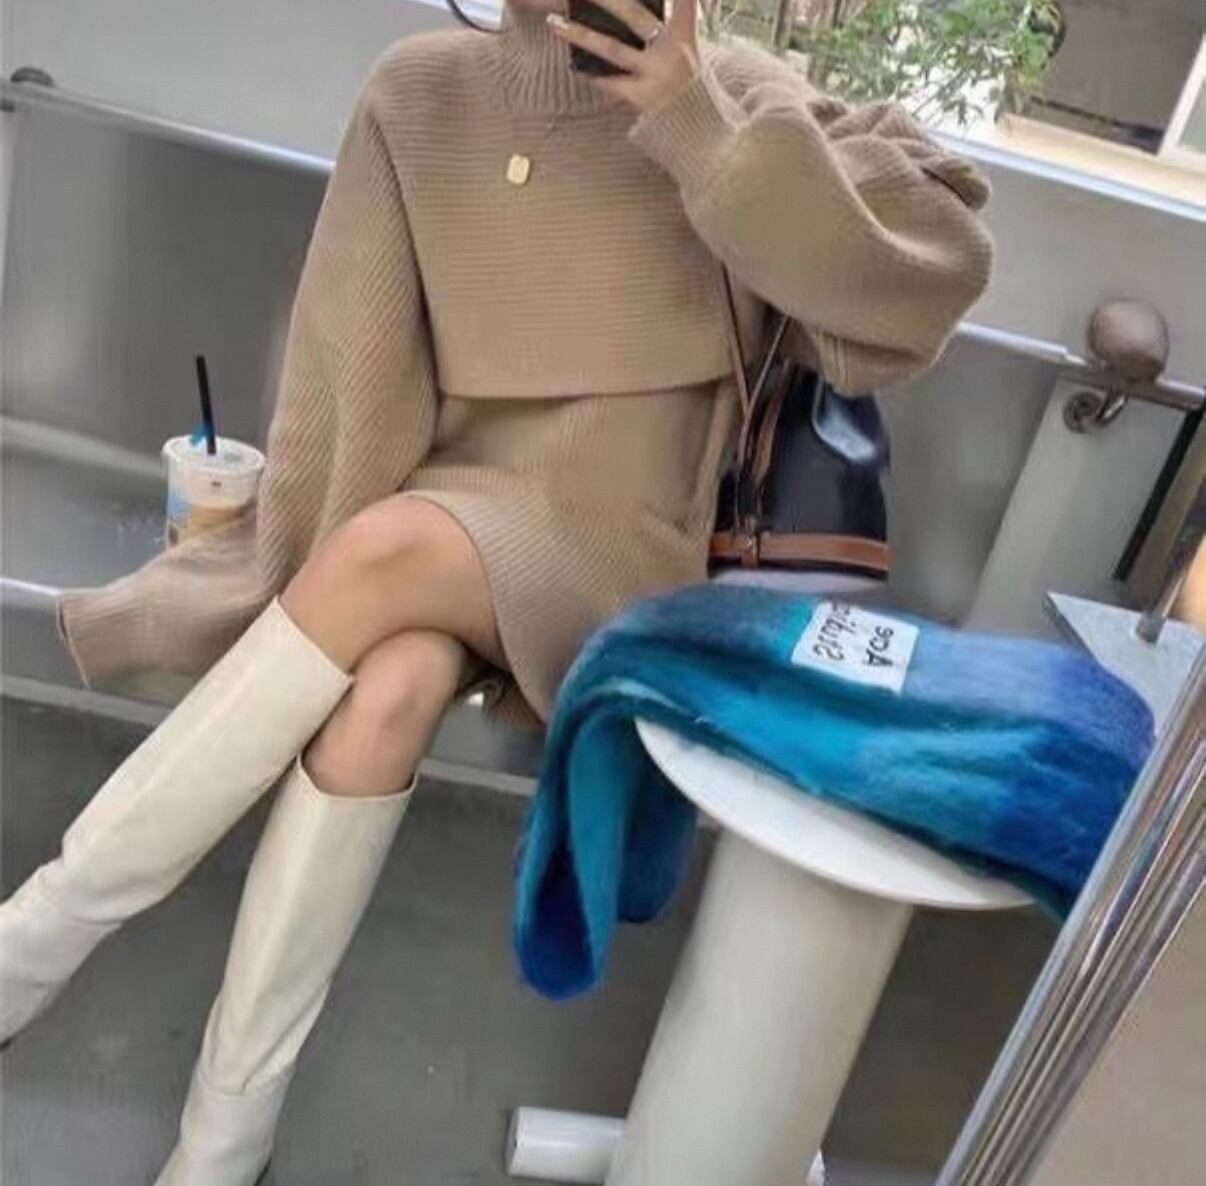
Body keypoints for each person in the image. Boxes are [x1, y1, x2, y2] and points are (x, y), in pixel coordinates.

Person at [0, 0, 993, 1181]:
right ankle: (229, 1130)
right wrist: (300, 569)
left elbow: (925, 280)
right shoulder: (420, 92)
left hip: (622, 547)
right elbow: (352, 369)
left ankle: (32, 940)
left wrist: (695, 119)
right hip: (443, 519)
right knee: (389, 684)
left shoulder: (742, 94)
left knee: (389, 555)